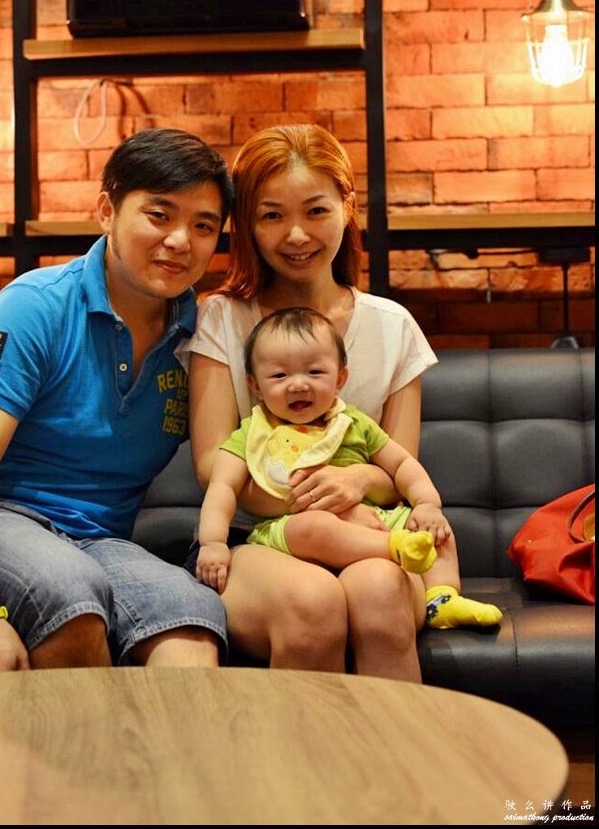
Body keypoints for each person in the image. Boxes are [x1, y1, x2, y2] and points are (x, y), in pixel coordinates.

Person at [0, 127, 233, 674]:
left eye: (204, 226)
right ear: (107, 210)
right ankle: (79, 762)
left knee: (190, 618)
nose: (180, 241)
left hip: (95, 542)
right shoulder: (34, 306)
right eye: (159, 215)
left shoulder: (202, 338)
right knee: (69, 598)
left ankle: (165, 762)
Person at [185, 123, 455, 680]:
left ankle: (407, 764)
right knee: (311, 603)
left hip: (371, 531)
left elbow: (399, 465)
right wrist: (304, 503)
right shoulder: (221, 318)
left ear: (347, 206)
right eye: (271, 215)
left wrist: (355, 483)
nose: (296, 235)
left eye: (315, 210)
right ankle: (296, 769)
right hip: (255, 538)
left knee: (381, 591)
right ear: (248, 227)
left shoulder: (392, 325)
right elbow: (212, 464)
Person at [196, 306, 503, 632]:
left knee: (432, 529)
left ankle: (441, 598)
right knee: (312, 525)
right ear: (255, 386)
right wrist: (213, 542)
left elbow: (401, 465)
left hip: (372, 520)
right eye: (279, 376)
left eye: (314, 372)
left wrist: (428, 504)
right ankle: (395, 548)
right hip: (296, 530)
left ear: (340, 379)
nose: (298, 384)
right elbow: (222, 486)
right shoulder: (253, 433)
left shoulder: (352, 423)